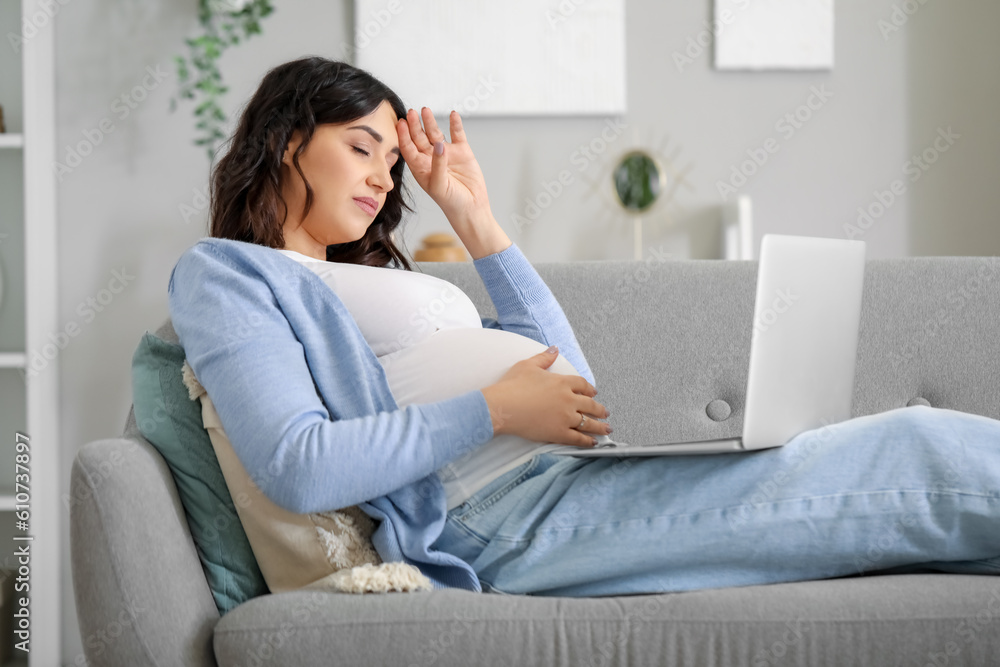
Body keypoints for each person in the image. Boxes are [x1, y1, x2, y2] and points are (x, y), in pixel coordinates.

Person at [168, 56, 1000, 597]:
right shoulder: (229, 273)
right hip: (500, 520)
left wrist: (475, 218)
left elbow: (568, 368)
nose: (385, 180)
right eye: (362, 147)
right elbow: (298, 465)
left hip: (557, 482)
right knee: (913, 450)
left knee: (911, 468)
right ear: (285, 142)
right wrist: (494, 409)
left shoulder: (361, 277)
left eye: (392, 163)